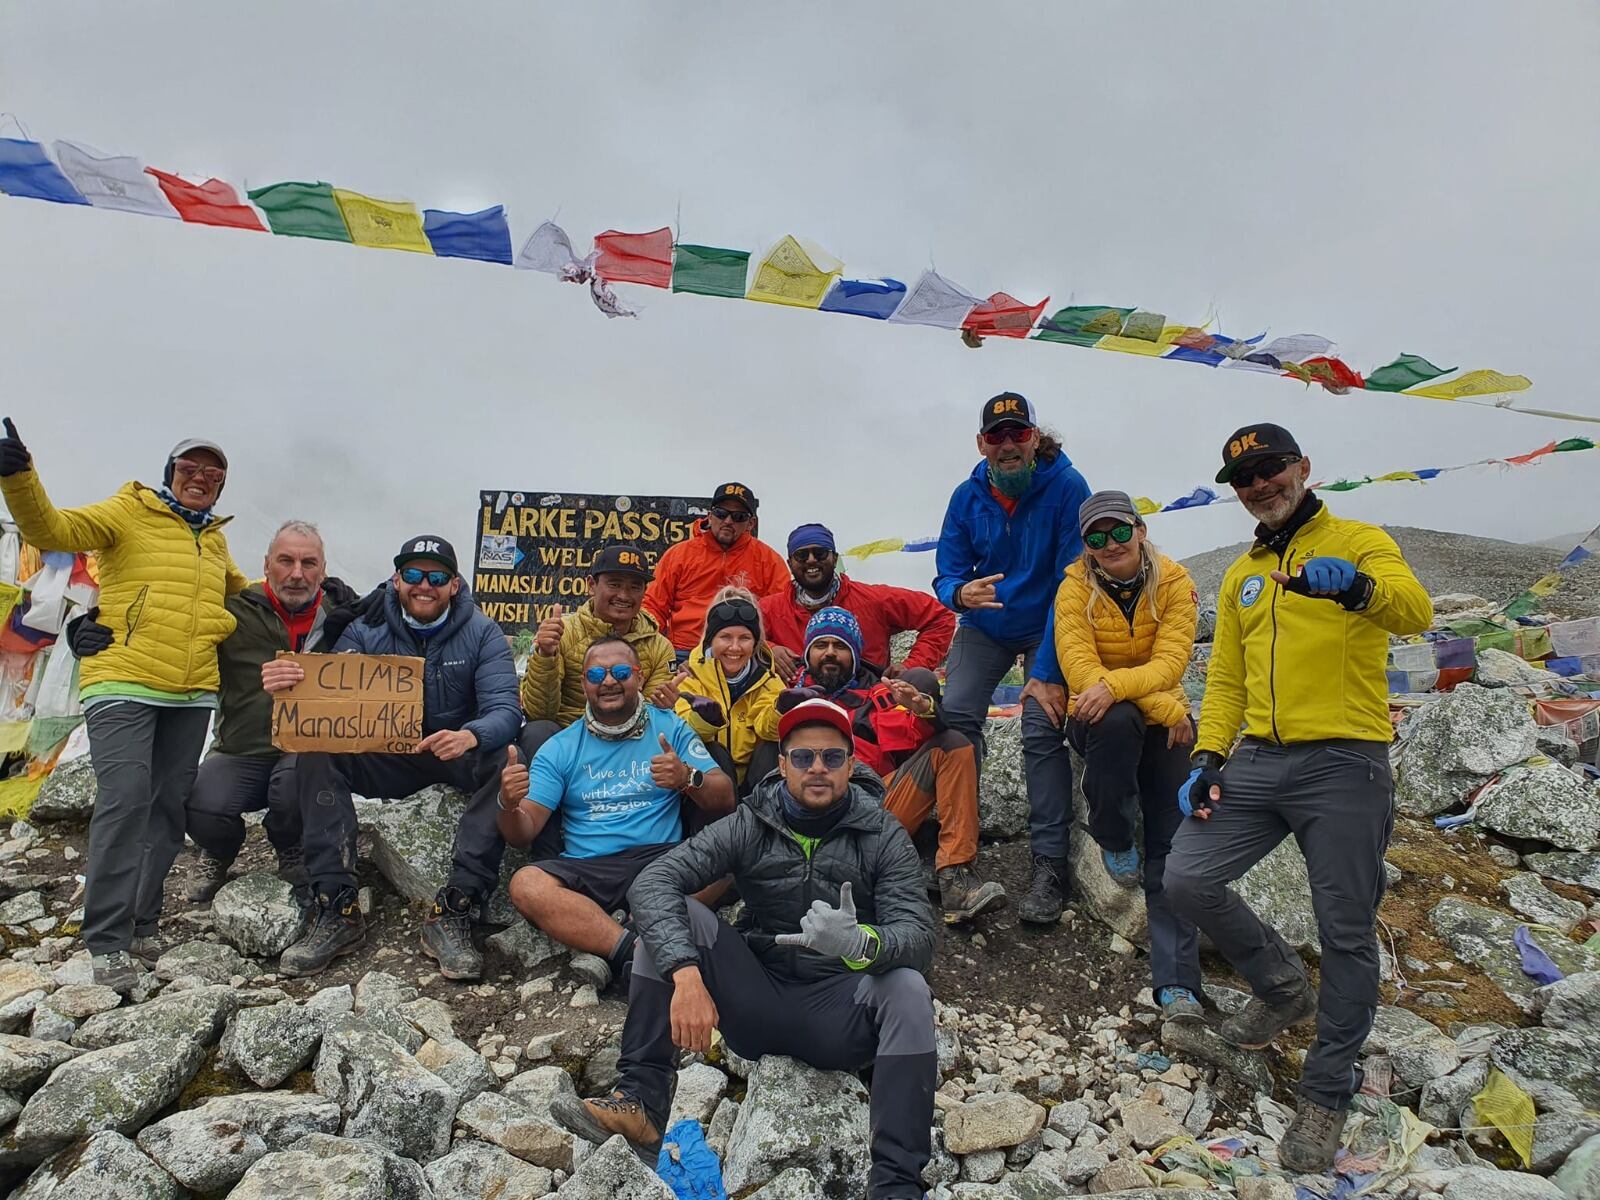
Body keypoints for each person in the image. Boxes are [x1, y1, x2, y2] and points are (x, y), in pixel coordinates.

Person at [1163, 423, 1432, 1174]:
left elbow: (1415, 610)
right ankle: (1282, 986)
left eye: (1270, 469)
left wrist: (1358, 587)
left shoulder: (1360, 537)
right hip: (1261, 758)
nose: (1259, 485)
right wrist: (1209, 753)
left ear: (1303, 468)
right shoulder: (1242, 572)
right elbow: (1226, 679)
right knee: (1185, 876)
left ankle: (1325, 1092)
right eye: (1244, 478)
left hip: (1346, 760)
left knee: (1345, 930)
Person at [548, 697, 938, 1198]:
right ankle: (642, 1106)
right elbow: (653, 882)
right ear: (782, 764)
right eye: (802, 757)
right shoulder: (753, 821)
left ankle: (897, 1186)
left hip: (841, 1013)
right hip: (757, 1000)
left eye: (831, 757)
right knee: (675, 919)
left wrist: (860, 942)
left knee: (907, 988)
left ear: (851, 764)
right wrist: (686, 976)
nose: (817, 768)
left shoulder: (882, 834)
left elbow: (920, 939)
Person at [0, 421, 248, 993]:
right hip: (124, 680)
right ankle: (106, 939)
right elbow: (52, 527)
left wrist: (311, 581)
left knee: (167, 806)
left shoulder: (212, 538)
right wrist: (19, 476)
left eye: (214, 473)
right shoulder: (126, 511)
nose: (202, 479)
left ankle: (142, 919)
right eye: (191, 468)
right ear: (170, 472)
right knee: (126, 797)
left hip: (190, 692)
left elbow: (240, 589)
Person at [66, 520, 359, 903]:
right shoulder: (231, 611)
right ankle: (219, 850)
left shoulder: (343, 611)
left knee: (300, 782)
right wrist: (84, 630)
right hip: (241, 750)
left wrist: (364, 601)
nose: (297, 574)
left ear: (323, 570)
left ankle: (291, 843)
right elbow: (166, 627)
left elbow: (400, 623)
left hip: (306, 750)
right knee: (197, 800)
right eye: (286, 561)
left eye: (309, 563)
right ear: (266, 564)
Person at [273, 535, 523, 981]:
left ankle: (457, 905)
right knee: (315, 751)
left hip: (452, 751)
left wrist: (469, 735)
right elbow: (330, 702)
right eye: (412, 575)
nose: (423, 585)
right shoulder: (364, 628)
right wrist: (291, 681)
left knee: (508, 759)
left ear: (455, 585)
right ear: (396, 579)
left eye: (436, 577)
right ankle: (337, 905)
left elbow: (506, 710)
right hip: (386, 754)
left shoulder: (482, 632)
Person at [932, 393, 1091, 925]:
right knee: (954, 719)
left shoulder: (1068, 488)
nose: (1007, 445)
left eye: (1017, 434)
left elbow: (1075, 581)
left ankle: (1049, 865)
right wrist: (959, 594)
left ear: (1034, 438)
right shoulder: (965, 495)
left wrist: (1045, 671)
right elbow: (947, 568)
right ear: (982, 444)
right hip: (986, 624)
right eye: (996, 436)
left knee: (1042, 726)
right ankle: (957, 856)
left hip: (1051, 620)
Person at [497, 636, 734, 991]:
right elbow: (523, 831)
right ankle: (633, 948)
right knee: (526, 884)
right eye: (596, 674)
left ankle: (625, 933)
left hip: (663, 860)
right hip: (590, 865)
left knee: (735, 852)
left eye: (621, 671)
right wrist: (507, 803)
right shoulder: (560, 747)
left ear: (639, 678)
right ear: (584, 684)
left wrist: (687, 777)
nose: (608, 681)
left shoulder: (670, 726)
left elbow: (725, 797)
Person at [1054, 491, 1204, 1017]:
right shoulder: (1072, 588)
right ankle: (1112, 831)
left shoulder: (1177, 583)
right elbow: (1079, 669)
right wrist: (1163, 706)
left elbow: (1172, 661)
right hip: (1100, 719)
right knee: (1116, 720)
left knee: (1172, 835)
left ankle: (1177, 982)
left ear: (1141, 530)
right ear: (1086, 547)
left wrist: (1142, 698)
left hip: (1158, 718)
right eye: (1097, 537)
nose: (1110, 543)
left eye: (1120, 531)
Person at [795, 606, 1005, 923]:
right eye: (821, 645)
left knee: (954, 745)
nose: (830, 654)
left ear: (854, 653)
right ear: (808, 652)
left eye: (839, 646)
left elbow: (909, 734)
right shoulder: (788, 696)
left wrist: (922, 709)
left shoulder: (876, 694)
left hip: (875, 810)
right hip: (813, 824)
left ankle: (955, 878)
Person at [760, 522, 955, 683]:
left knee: (926, 685)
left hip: (867, 708)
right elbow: (735, 639)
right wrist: (768, 650)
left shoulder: (874, 600)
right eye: (801, 555)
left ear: (834, 558)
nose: (811, 560)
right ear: (789, 563)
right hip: (793, 709)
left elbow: (940, 616)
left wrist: (911, 667)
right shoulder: (769, 609)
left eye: (819, 553)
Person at [521, 542, 677, 735]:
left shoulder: (660, 647)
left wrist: (664, 707)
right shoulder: (560, 632)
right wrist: (545, 655)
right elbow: (539, 713)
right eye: (614, 584)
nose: (624, 595)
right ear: (591, 585)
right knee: (537, 731)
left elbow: (649, 721)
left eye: (634, 587)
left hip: (630, 741)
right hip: (568, 738)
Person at [641, 483, 788, 658]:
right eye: (721, 513)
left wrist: (769, 646)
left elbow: (781, 613)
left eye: (738, 516)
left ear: (751, 523)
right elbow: (653, 606)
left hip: (742, 653)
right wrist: (650, 644)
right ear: (710, 516)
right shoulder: (678, 554)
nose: (728, 521)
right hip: (684, 651)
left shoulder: (769, 560)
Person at [663, 587, 783, 794]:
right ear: (711, 639)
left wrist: (782, 709)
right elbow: (684, 732)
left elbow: (767, 729)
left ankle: (762, 815)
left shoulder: (770, 680)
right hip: (710, 787)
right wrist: (705, 721)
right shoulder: (690, 677)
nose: (735, 648)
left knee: (772, 747)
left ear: (755, 643)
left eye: (744, 638)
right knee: (712, 750)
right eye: (725, 637)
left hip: (754, 781)